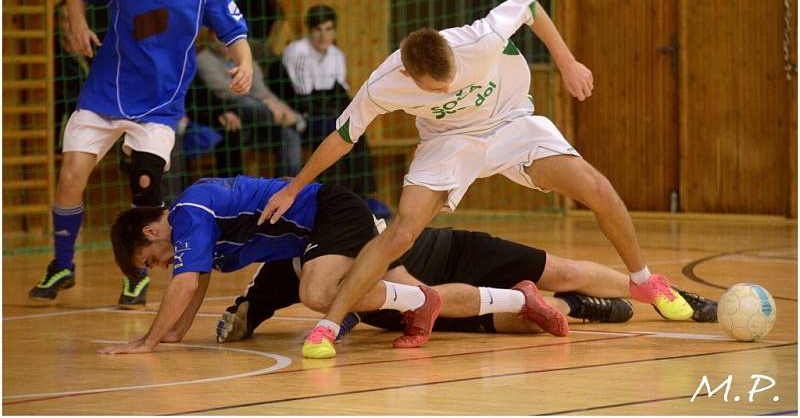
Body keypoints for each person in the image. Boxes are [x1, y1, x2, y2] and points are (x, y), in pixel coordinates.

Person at [260, 0, 696, 359]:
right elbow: (342, 136)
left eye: (451, 79)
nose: (449, 88)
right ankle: (329, 326)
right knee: (400, 234)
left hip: (510, 121)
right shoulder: (384, 83)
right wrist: (294, 188)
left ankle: (643, 281)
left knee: (597, 187)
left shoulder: (477, 40)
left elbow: (531, 4)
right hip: (448, 141)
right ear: (410, 74)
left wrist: (567, 62)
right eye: (438, 88)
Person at [28, 0, 253, 308]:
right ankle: (62, 264)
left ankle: (138, 275)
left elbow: (234, 30)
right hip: (103, 98)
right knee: (70, 179)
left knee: (146, 185)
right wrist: (78, 22)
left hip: (158, 109)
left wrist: (246, 64)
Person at [96, 175, 572, 355]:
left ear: (150, 232)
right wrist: (176, 333)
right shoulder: (201, 238)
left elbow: (184, 279)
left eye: (149, 260)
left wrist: (148, 341)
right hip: (316, 240)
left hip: (332, 213)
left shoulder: (189, 211)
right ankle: (518, 297)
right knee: (425, 295)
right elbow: (193, 281)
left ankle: (421, 299)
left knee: (320, 297)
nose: (158, 265)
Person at [216, 226, 717, 344]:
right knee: (519, 323)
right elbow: (249, 312)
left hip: (448, 252)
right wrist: (238, 321)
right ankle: (586, 308)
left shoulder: (340, 222)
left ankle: (671, 297)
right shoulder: (281, 266)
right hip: (401, 307)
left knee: (558, 267)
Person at [280, 5, 379, 203]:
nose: (323, 36)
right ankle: (332, 198)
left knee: (355, 131)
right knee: (335, 133)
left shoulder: (337, 55)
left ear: (334, 31)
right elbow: (302, 99)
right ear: (309, 30)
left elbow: (341, 93)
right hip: (299, 115)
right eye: (318, 30)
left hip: (327, 113)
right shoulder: (297, 51)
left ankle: (360, 198)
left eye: (328, 29)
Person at [194, 38, 303, 177]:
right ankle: (294, 120)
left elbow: (264, 92)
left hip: (257, 121)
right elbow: (226, 91)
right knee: (246, 102)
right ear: (210, 36)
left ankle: (286, 188)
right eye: (218, 35)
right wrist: (265, 102)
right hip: (228, 113)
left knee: (288, 132)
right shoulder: (204, 59)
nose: (224, 39)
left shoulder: (245, 60)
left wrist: (281, 108)